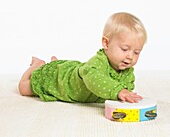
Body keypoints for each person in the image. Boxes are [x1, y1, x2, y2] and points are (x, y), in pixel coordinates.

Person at [18, 12, 147, 103]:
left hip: (75, 70)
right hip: (60, 83)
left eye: (136, 52)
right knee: (24, 89)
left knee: (66, 68)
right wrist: (119, 91)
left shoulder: (127, 70)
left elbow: (125, 90)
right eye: (125, 49)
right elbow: (95, 79)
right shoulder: (96, 64)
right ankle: (38, 64)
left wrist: (127, 95)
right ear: (106, 43)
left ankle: (56, 63)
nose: (130, 56)